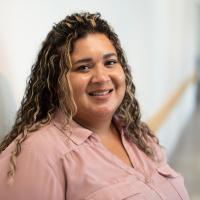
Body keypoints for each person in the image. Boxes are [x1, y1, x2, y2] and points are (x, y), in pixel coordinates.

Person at [0, 12, 189, 200]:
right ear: (56, 84)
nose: (101, 77)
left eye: (110, 62)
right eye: (83, 67)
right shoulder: (36, 155)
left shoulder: (140, 136)